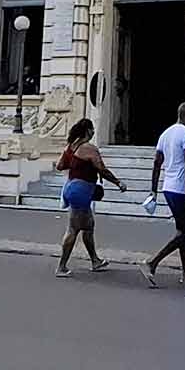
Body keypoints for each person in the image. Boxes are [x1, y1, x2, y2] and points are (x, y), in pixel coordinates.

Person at [54, 118, 123, 277]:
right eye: (92, 129)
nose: (93, 132)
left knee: (88, 225)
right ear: (87, 131)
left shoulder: (71, 147)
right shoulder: (89, 148)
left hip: (72, 188)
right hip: (81, 190)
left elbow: (59, 166)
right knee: (73, 229)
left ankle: (95, 260)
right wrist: (118, 182)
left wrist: (75, 163)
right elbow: (102, 170)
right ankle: (61, 267)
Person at [143, 101, 185, 289]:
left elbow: (157, 163)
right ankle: (153, 262)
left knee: (181, 229)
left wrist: (153, 189)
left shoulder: (165, 134)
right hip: (182, 188)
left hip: (168, 187)